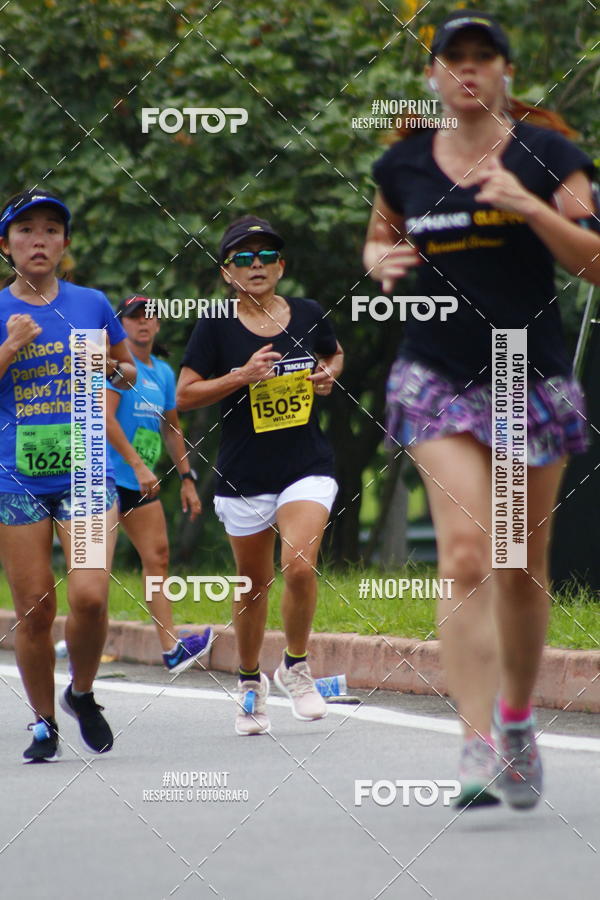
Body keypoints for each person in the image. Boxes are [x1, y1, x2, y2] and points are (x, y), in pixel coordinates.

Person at [364, 11, 600, 809]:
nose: (467, 70)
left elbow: (594, 260)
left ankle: (518, 720)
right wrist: (381, 260)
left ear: (505, 72)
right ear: (432, 75)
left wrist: (529, 207)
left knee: (519, 565)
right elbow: (379, 237)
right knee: (465, 554)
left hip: (525, 372)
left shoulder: (551, 156)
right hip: (433, 374)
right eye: (452, 58)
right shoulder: (402, 163)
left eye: (482, 57)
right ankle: (474, 741)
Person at [177, 215, 344, 735]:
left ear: (281, 266)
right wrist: (241, 376)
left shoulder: (309, 313)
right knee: (252, 586)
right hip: (244, 474)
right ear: (227, 272)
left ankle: (295, 665)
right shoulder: (214, 324)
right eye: (244, 258)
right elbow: (184, 394)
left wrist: (328, 376)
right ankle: (250, 680)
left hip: (305, 465)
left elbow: (334, 354)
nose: (257, 265)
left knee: (299, 566)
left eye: (267, 256)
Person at [0, 188, 137, 761]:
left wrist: (112, 367)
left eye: (51, 230)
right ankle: (43, 722)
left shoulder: (92, 303)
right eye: (26, 229)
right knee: (35, 607)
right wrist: (9, 347)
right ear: (5, 245)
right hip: (16, 478)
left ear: (65, 244)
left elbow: (128, 372)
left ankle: (81, 692)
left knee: (90, 597)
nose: (39, 240)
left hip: (85, 471)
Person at [106, 295, 213, 671]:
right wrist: (137, 466)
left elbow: (171, 428)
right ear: (121, 325)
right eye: (134, 317)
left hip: (141, 483)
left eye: (150, 316)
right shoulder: (119, 367)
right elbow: (105, 418)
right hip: (105, 478)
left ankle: (171, 649)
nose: (143, 322)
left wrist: (186, 478)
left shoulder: (164, 373)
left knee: (158, 558)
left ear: (159, 324)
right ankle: (78, 645)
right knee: (95, 571)